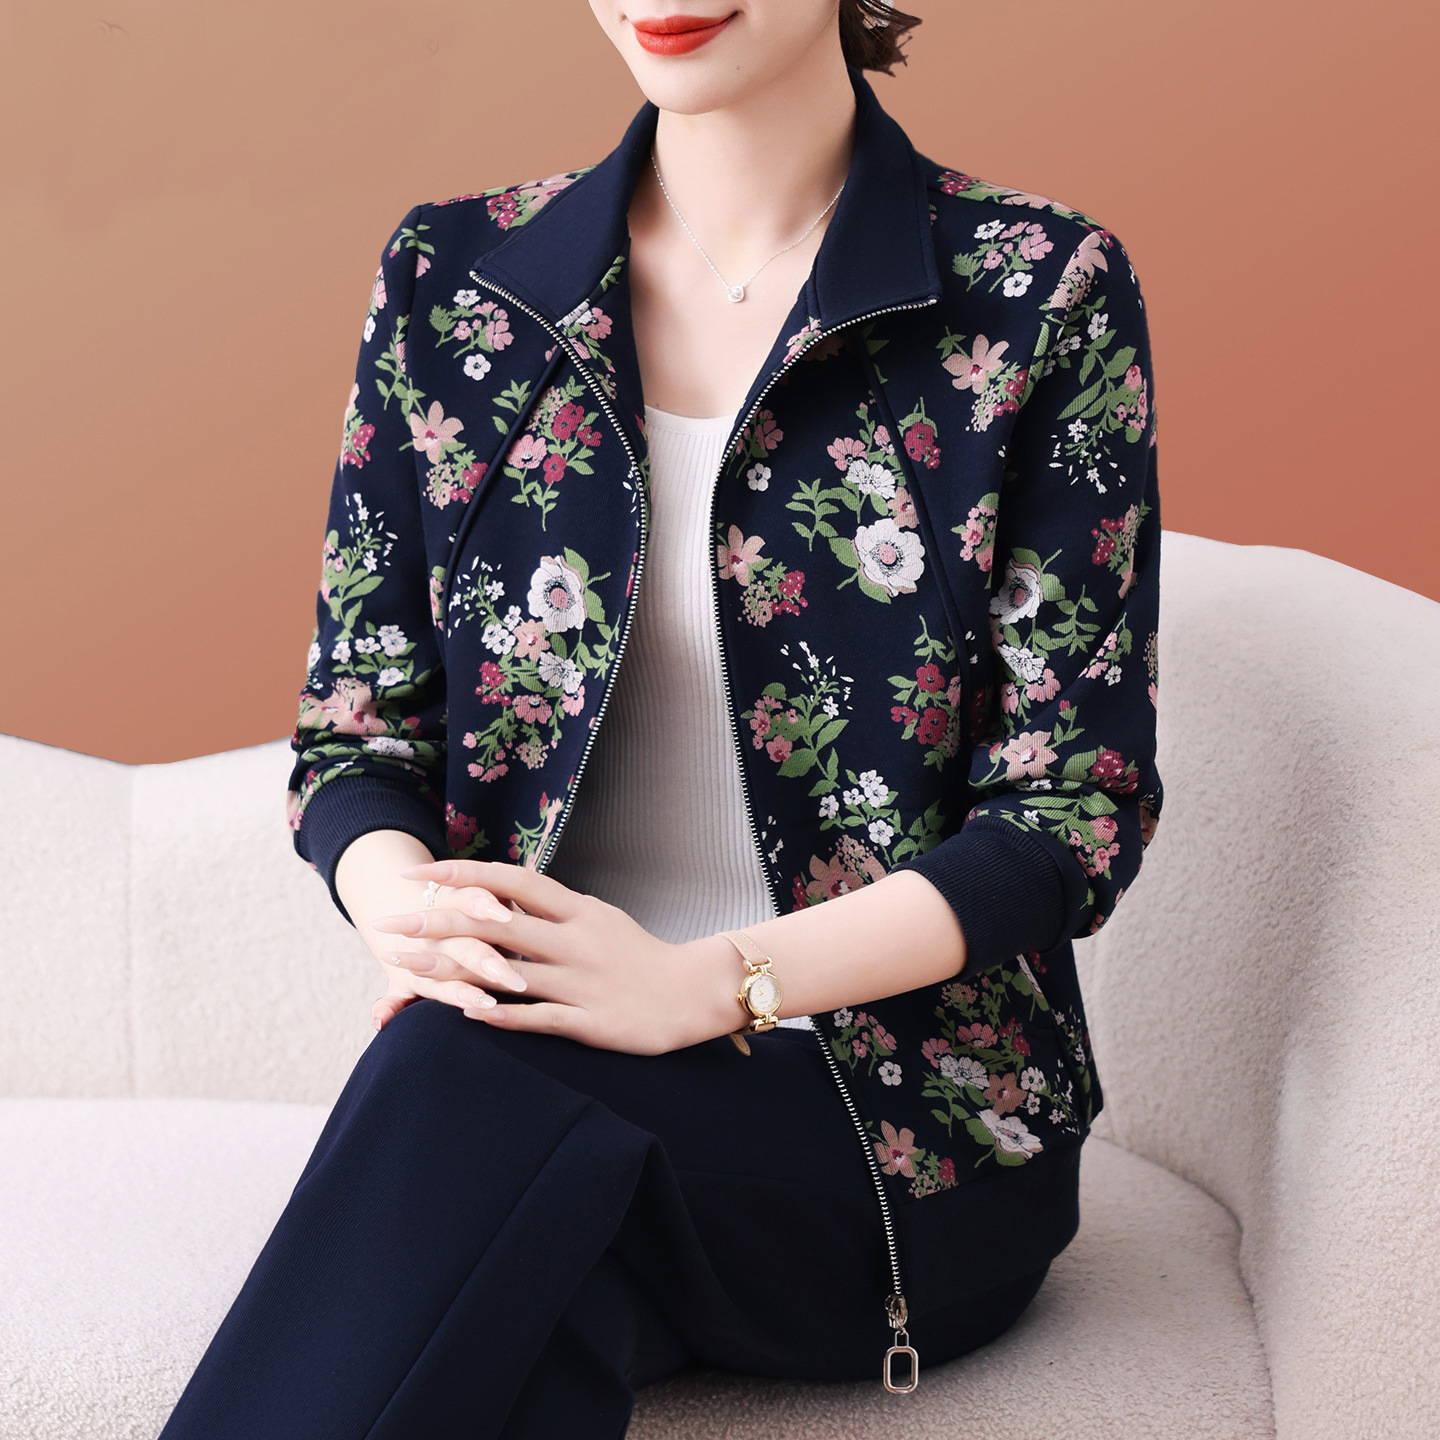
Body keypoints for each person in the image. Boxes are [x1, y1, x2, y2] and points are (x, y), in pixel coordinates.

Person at [157, 2, 1164, 1435]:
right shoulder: (455, 281)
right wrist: (424, 918)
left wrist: (707, 987)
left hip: (895, 1128)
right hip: (533, 1078)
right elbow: (357, 731)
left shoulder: (1035, 291)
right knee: (520, 1312)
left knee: (465, 1080)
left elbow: (1069, 816)